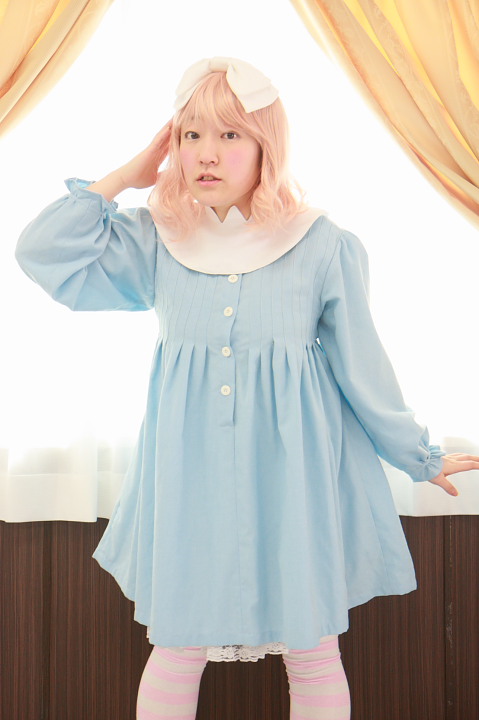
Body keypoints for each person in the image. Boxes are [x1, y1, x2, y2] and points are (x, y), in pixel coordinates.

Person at [15, 57, 479, 720]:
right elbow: (42, 251)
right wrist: (127, 175)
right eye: (191, 135)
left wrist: (420, 456)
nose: (206, 153)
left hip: (296, 477)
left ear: (267, 144)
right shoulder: (159, 240)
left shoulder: (320, 244)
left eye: (229, 134)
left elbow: (364, 369)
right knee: (177, 647)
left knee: (312, 652)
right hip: (188, 477)